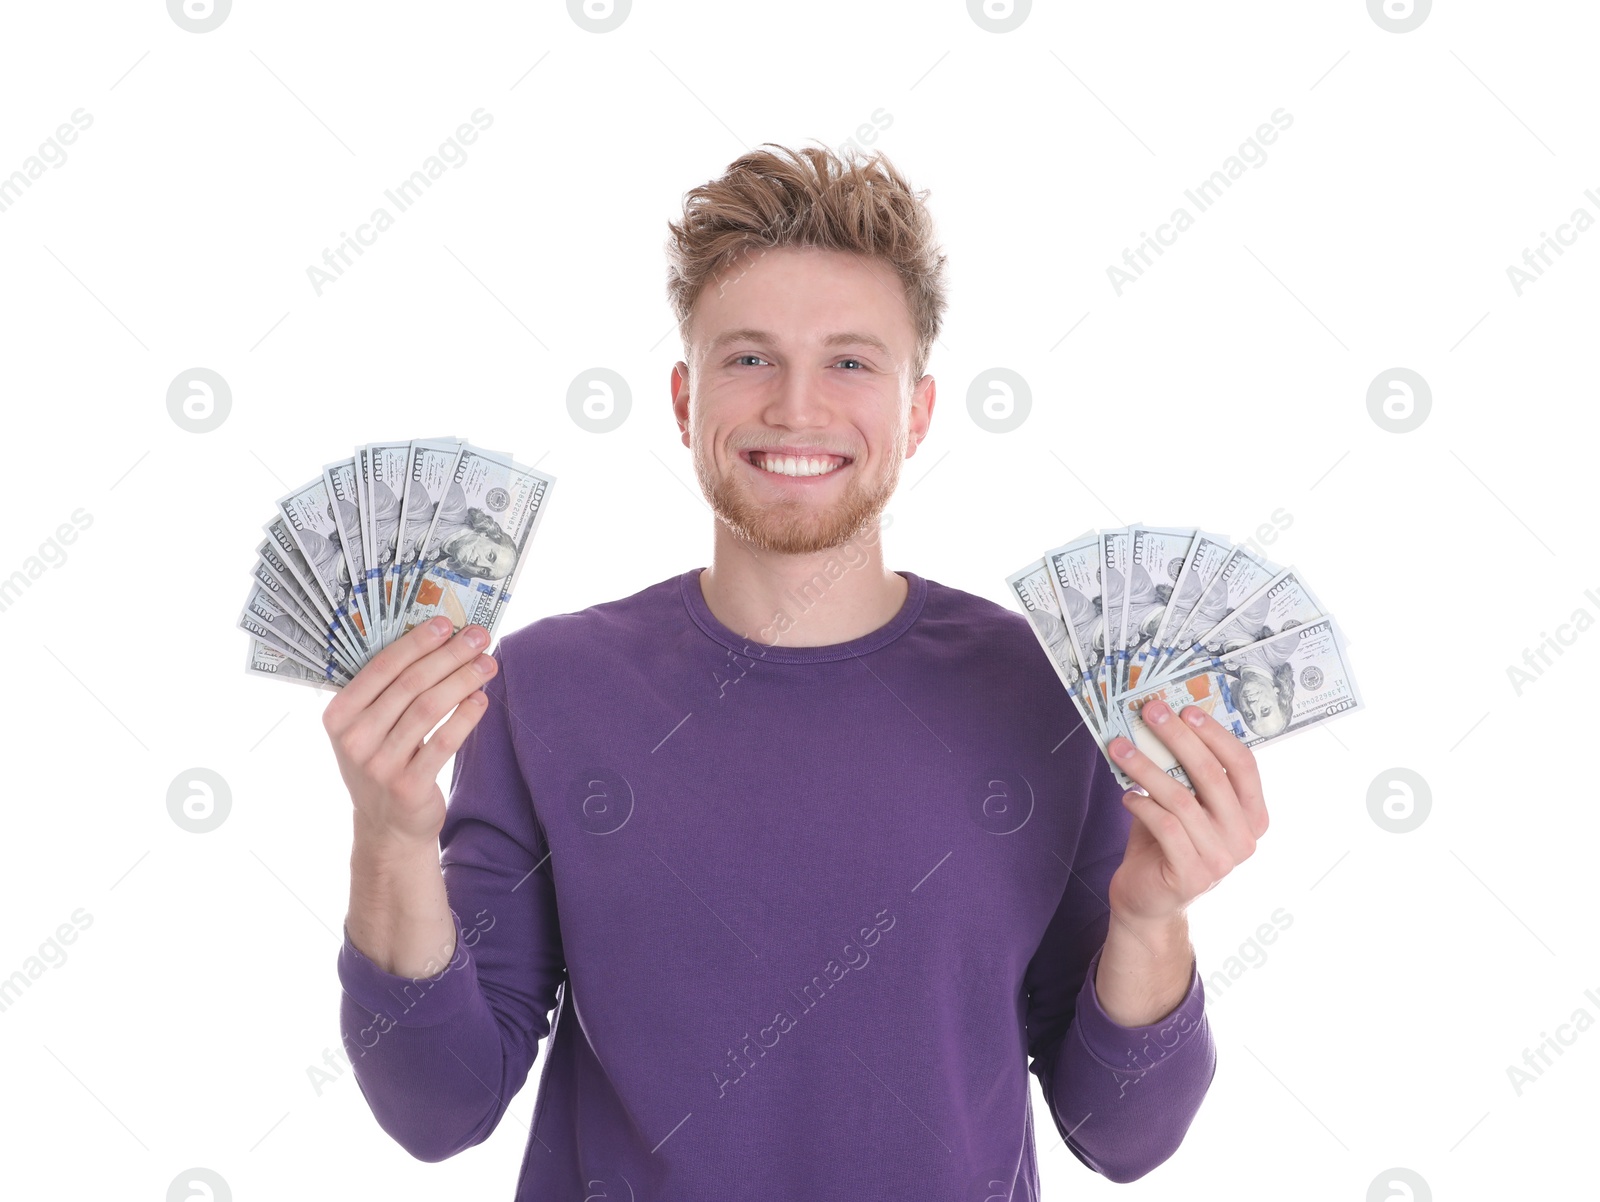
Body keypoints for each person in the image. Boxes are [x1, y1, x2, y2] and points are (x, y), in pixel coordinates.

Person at [326, 143, 1270, 1200]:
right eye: (749, 358)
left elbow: (1121, 1133)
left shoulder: (1044, 694)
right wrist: (391, 836)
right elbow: (438, 1106)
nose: (796, 408)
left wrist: (1148, 916)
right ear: (684, 399)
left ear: (916, 410)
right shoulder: (544, 688)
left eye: (852, 362)